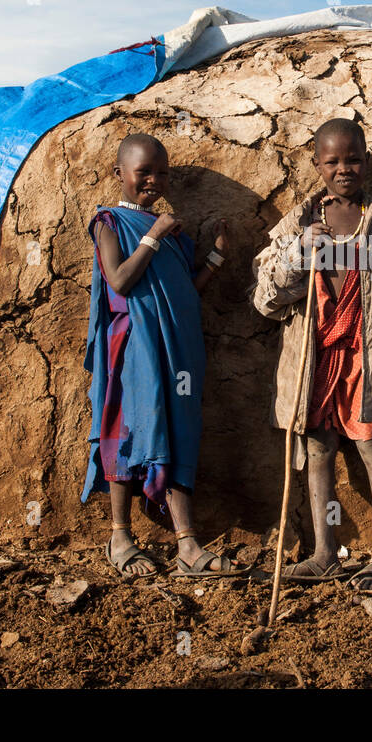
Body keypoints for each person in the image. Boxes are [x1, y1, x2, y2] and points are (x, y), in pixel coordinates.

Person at [251, 117, 372, 590]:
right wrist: (297, 256)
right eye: (332, 161)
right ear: (316, 165)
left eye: (353, 159)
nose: (343, 169)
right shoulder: (300, 223)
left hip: (365, 359)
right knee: (317, 448)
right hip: (314, 361)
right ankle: (325, 553)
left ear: (366, 162)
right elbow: (266, 300)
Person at [82, 132, 237, 578]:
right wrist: (154, 233)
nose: (153, 180)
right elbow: (120, 281)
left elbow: (184, 292)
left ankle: (187, 544)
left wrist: (215, 258)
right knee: (128, 427)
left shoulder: (172, 235)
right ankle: (119, 535)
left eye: (162, 173)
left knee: (175, 428)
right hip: (135, 350)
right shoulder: (109, 222)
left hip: (177, 349)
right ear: (119, 174)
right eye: (143, 172)